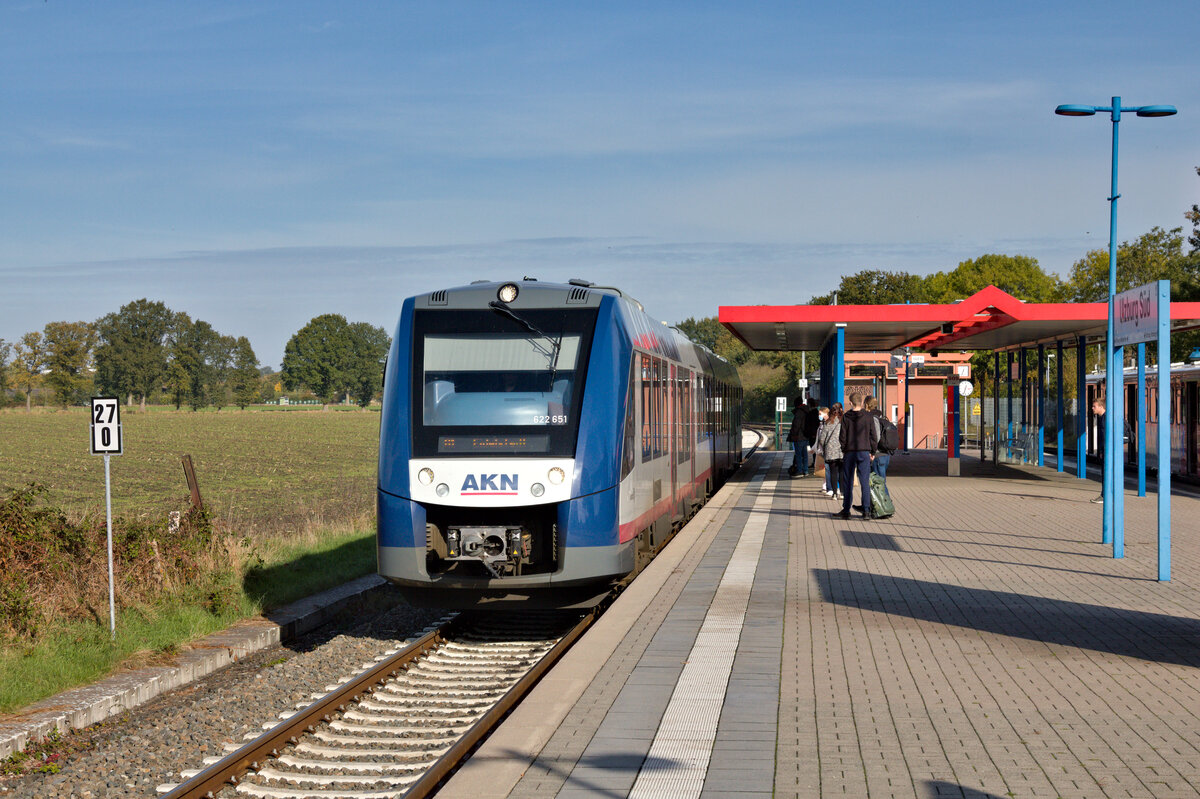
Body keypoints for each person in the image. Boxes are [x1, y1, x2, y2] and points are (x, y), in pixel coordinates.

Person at [834, 392, 877, 520]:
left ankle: (846, 510)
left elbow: (842, 436)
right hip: (864, 452)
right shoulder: (868, 416)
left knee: (848, 482)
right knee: (864, 481)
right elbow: (873, 435)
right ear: (861, 402)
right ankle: (866, 511)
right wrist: (873, 452)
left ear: (851, 403)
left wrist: (844, 449)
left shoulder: (846, 417)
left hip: (850, 452)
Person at [865, 396, 892, 500]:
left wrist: (872, 452)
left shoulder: (873, 418)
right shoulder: (880, 417)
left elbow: (875, 436)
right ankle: (880, 506)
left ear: (866, 404)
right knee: (879, 482)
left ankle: (885, 507)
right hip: (883, 455)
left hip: (878, 455)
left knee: (880, 482)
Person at [817, 403, 844, 500]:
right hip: (842, 451)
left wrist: (825, 447)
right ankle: (842, 492)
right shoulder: (844, 422)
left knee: (833, 472)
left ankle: (834, 493)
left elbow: (822, 438)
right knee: (841, 472)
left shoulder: (828, 422)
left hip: (830, 451)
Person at [786, 396, 811, 478]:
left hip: (799, 437)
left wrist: (793, 434)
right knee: (805, 454)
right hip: (805, 436)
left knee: (798, 454)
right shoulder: (807, 410)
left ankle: (799, 470)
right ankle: (805, 470)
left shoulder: (799, 412)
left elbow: (796, 425)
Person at [1091, 397, 1105, 503]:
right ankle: (1104, 495)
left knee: (1106, 474)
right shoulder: (1101, 418)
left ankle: (1104, 496)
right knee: (1104, 473)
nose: (1092, 408)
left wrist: (1102, 451)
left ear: (1101, 407)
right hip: (1104, 450)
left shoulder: (1105, 419)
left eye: (1094, 406)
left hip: (1107, 451)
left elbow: (1105, 437)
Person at [802, 396, 821, 472]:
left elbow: (810, 424)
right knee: (815, 448)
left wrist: (811, 433)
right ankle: (815, 462)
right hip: (815, 433)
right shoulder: (817, 412)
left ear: (809, 404)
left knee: (814, 448)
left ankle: (815, 462)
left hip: (812, 434)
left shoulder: (810, 413)